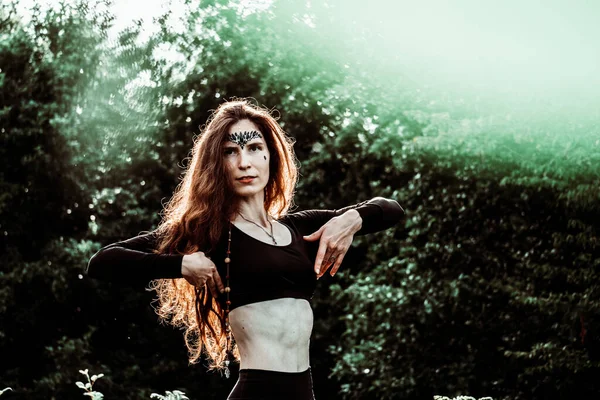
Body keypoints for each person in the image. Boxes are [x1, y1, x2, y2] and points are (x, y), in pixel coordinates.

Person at [86, 99, 404, 400]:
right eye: (230, 152)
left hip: (304, 390)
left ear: (270, 156)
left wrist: (352, 219)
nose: (244, 163)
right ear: (217, 163)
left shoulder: (300, 229)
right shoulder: (209, 233)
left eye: (254, 148)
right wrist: (180, 265)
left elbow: (391, 210)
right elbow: (104, 261)